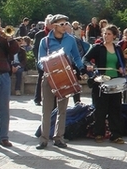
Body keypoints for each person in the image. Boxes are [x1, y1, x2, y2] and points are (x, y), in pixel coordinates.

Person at [37, 14, 90, 149]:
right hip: (49, 78)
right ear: (54, 26)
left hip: (65, 77)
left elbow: (76, 57)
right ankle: (43, 139)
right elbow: (39, 61)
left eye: (66, 23)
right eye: (62, 24)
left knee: (62, 110)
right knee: (47, 109)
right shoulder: (45, 41)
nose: (65, 26)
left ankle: (59, 137)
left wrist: (81, 68)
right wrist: (48, 67)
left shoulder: (71, 39)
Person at [82, 24, 126, 144]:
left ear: (114, 36)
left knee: (115, 109)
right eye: (104, 33)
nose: (106, 36)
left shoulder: (117, 49)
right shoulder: (97, 47)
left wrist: (122, 68)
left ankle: (116, 134)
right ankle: (98, 133)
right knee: (100, 108)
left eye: (109, 34)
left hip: (115, 81)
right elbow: (85, 59)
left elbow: (122, 63)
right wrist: (89, 66)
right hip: (101, 81)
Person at [0, 14, 20, 147]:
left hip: (4, 74)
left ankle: (3, 136)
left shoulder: (3, 38)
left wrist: (10, 38)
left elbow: (14, 50)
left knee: (4, 108)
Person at [32, 15, 52, 106]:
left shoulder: (56, 34)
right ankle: (37, 98)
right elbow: (35, 48)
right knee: (41, 78)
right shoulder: (39, 34)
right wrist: (39, 60)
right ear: (46, 24)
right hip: (42, 61)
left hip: (53, 61)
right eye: (49, 23)